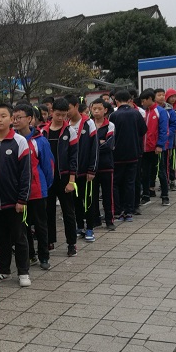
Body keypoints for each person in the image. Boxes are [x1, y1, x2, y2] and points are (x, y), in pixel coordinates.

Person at [0, 103, 32, 285]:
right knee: (0, 238)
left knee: (19, 237)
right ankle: (4, 270)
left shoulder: (20, 142)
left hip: (14, 201)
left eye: (3, 116)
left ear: (11, 119)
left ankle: (23, 272)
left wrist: (22, 199)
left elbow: (25, 173)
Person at [14, 105, 54, 269]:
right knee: (23, 226)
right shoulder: (13, 141)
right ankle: (30, 255)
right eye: (14, 118)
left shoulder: (40, 140)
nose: (15, 121)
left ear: (30, 119)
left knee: (40, 225)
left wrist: (45, 186)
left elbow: (48, 166)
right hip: (19, 192)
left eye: (19, 117)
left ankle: (44, 256)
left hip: (37, 190)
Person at [42, 98, 79, 257]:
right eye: (58, 114)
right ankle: (50, 240)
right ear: (52, 112)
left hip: (64, 178)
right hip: (48, 179)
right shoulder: (43, 131)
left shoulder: (70, 131)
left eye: (64, 115)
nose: (61, 118)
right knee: (48, 211)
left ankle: (71, 243)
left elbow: (74, 157)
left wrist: (72, 180)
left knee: (68, 212)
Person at [110, 90, 147, 222]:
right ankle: (129, 211)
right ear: (130, 100)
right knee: (130, 182)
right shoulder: (136, 113)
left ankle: (118, 210)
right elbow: (143, 130)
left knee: (116, 183)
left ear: (116, 101)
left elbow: (110, 134)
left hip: (117, 155)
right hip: (134, 153)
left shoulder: (113, 115)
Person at [66, 95, 98, 242]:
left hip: (86, 170)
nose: (66, 112)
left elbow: (94, 148)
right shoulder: (66, 125)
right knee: (75, 201)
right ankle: (79, 226)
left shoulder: (88, 123)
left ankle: (90, 228)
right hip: (71, 172)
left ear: (76, 106)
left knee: (88, 200)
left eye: (68, 109)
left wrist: (92, 169)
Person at [89, 98, 116, 230]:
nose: (96, 111)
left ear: (105, 110)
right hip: (92, 166)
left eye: (99, 109)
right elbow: (86, 144)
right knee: (93, 195)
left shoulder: (110, 125)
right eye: (94, 109)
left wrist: (94, 146)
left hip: (106, 165)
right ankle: (96, 220)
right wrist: (99, 142)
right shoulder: (89, 125)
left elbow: (109, 144)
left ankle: (109, 220)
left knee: (107, 194)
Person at [140, 89, 169, 206]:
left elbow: (163, 129)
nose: (142, 103)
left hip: (156, 148)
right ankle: (146, 195)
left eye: (143, 101)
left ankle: (165, 196)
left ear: (149, 99)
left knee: (161, 172)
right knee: (145, 173)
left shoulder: (160, 111)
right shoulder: (144, 112)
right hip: (145, 148)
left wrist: (160, 145)